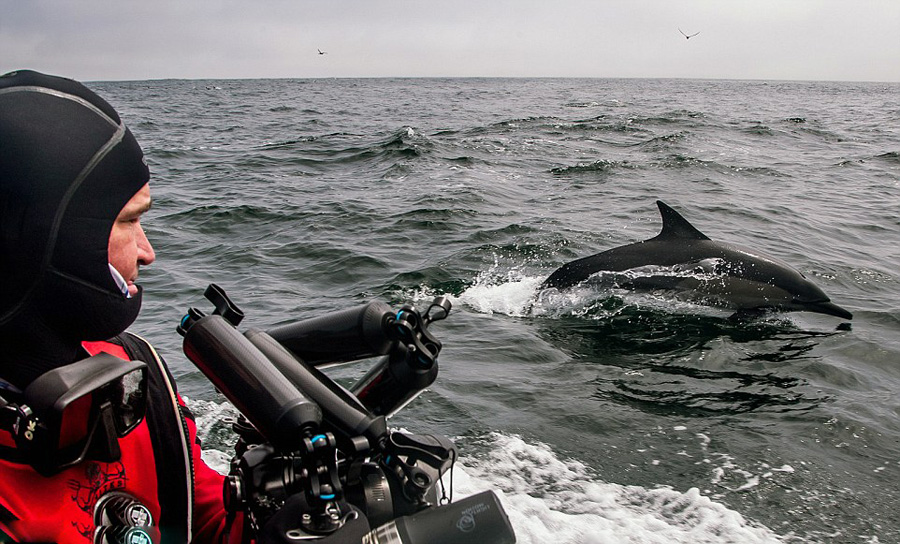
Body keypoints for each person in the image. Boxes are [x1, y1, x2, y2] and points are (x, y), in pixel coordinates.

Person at [0, 70, 237, 543]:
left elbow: (206, 520)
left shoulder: (131, 373)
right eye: (128, 221)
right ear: (55, 237)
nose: (148, 252)